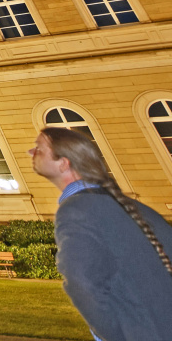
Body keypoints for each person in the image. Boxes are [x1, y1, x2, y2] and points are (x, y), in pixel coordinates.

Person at [29, 127, 172, 340]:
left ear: (63, 163)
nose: (30, 152)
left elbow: (82, 284)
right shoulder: (136, 208)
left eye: (39, 149)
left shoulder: (77, 210)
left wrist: (115, 335)